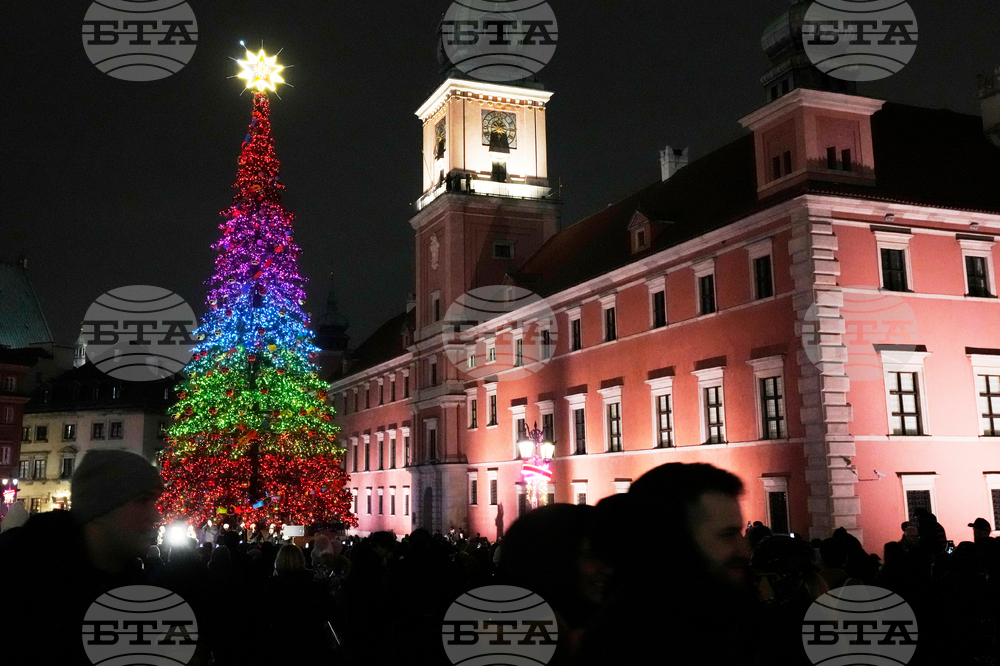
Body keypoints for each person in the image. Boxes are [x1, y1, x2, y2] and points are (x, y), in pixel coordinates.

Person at [576, 462, 759, 666]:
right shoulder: (632, 643)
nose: (746, 551)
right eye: (727, 535)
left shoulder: (713, 621)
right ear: (677, 541)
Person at [0, 449, 163, 665]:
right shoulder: (19, 583)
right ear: (101, 508)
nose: (156, 515)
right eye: (142, 500)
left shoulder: (134, 589)